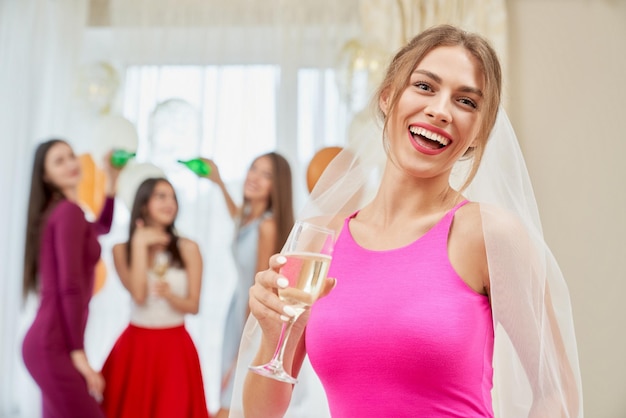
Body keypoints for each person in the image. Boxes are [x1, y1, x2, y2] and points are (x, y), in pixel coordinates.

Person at [236, 25, 583, 417]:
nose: (440, 110)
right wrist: (272, 334)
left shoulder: (489, 234)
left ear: (478, 134)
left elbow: (556, 392)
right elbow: (262, 413)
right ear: (387, 97)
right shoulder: (320, 240)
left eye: (466, 102)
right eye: (424, 86)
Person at [21, 139, 119, 418]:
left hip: (51, 344)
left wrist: (111, 181)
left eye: (71, 156)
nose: (70, 164)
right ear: (45, 175)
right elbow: (70, 287)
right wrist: (79, 355)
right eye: (59, 161)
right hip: (53, 347)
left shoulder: (67, 212)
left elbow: (101, 227)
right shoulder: (67, 212)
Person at [100, 178, 209, 418]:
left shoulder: (189, 248)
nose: (169, 202)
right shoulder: (121, 250)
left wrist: (170, 295)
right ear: (143, 204)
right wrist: (139, 243)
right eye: (161, 196)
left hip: (175, 348)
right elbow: (139, 295)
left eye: (172, 197)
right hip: (135, 347)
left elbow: (193, 306)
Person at [200, 153, 294, 418]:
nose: (254, 177)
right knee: (228, 399)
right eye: (254, 168)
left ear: (277, 186)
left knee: (230, 402)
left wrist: (244, 343)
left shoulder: (267, 225)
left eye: (266, 175)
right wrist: (218, 181)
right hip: (236, 313)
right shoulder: (250, 218)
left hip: (250, 318)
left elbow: (260, 291)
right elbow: (237, 218)